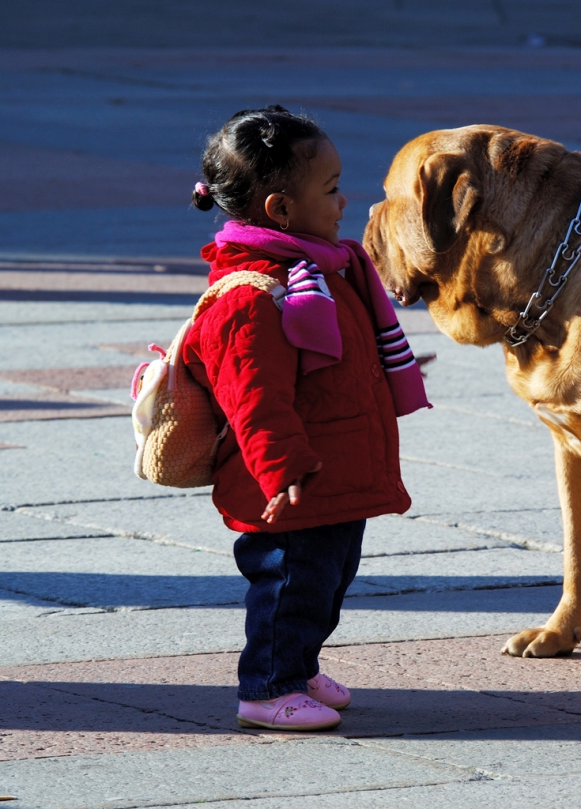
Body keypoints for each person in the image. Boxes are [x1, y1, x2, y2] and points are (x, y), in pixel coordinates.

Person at [185, 105, 429, 732]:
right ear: (279, 210)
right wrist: (280, 467)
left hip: (333, 472)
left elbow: (332, 358)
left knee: (326, 581)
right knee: (288, 586)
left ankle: (299, 663)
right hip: (291, 482)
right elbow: (253, 398)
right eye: (330, 189)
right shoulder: (252, 295)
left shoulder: (321, 268)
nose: (345, 201)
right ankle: (268, 685)